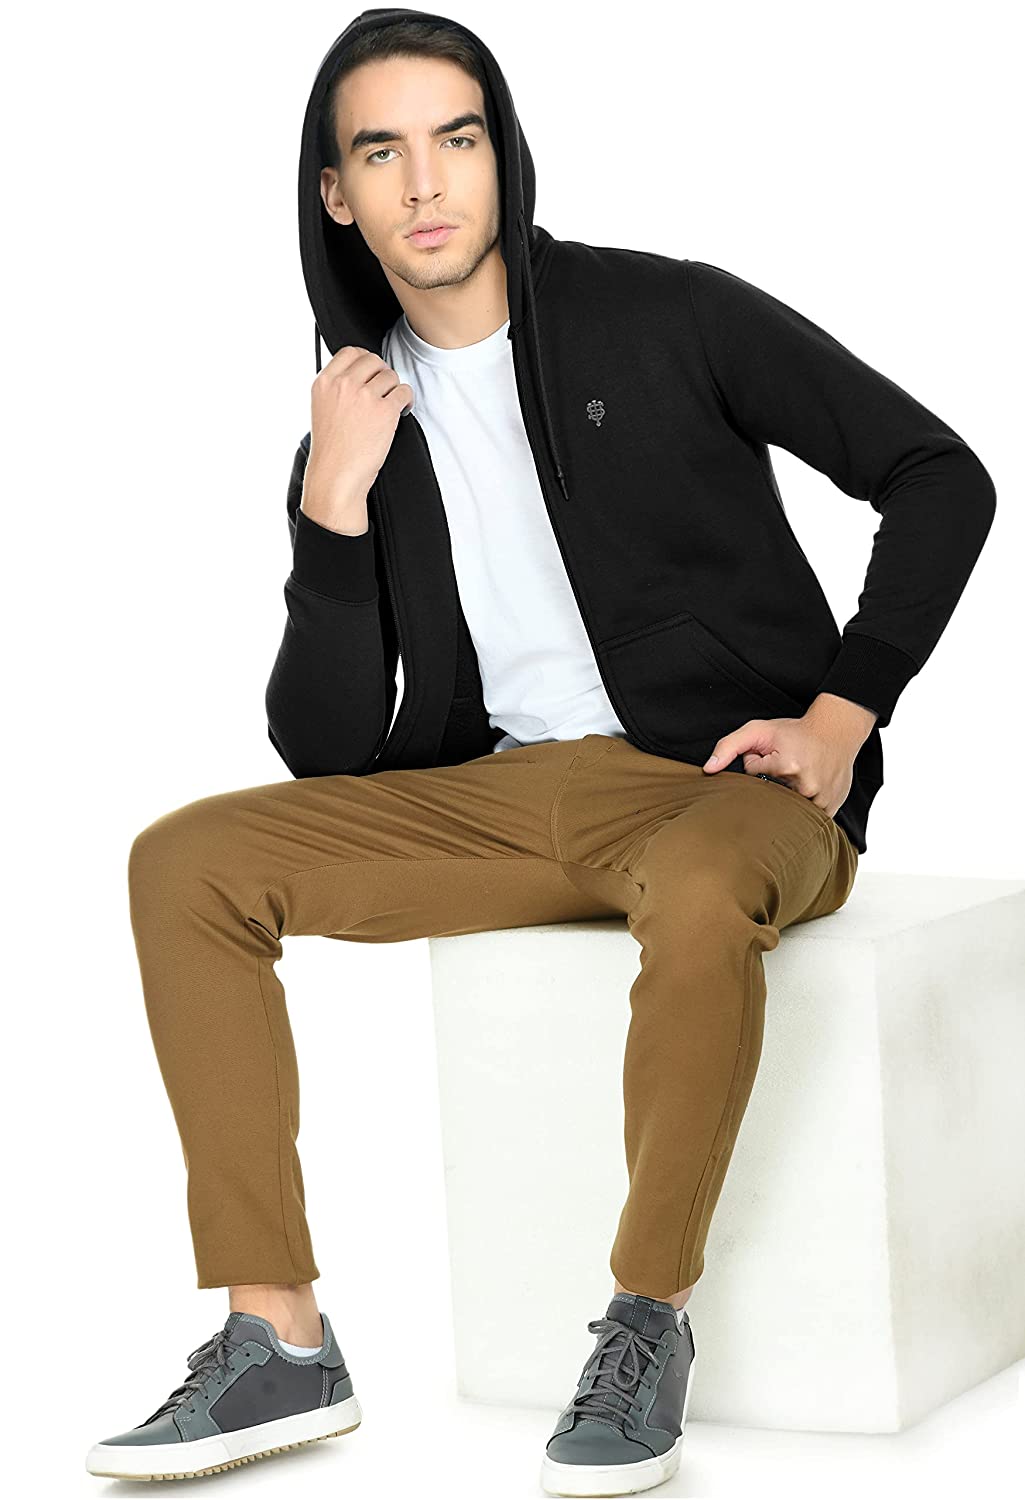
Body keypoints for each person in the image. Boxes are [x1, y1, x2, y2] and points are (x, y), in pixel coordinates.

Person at [85, 7, 996, 1494]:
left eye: (455, 138)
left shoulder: (669, 313)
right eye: (382, 151)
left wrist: (845, 713)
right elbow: (323, 747)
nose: (424, 181)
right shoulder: (357, 423)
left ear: (501, 157)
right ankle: (279, 1339)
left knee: (697, 896)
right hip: (504, 797)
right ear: (337, 193)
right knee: (186, 862)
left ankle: (644, 1321)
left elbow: (937, 473)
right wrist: (330, 507)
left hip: (729, 787)